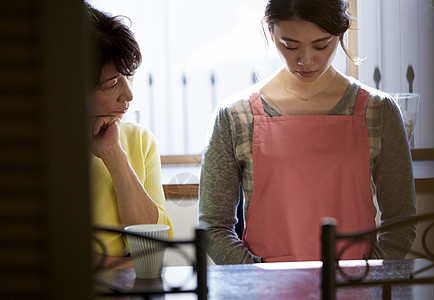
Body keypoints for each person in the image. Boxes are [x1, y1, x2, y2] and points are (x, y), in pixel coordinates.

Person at [199, 0, 416, 264]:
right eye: (290, 46)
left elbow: (402, 219)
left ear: (341, 33)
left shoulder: (379, 111)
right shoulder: (235, 116)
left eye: (321, 45)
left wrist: (368, 273)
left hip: (355, 288)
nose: (306, 60)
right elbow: (213, 226)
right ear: (271, 32)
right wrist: (254, 278)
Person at [86, 3, 173, 268]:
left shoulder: (139, 140)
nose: (129, 95)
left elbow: (153, 250)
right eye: (112, 84)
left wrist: (115, 156)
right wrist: (123, 265)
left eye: (129, 76)